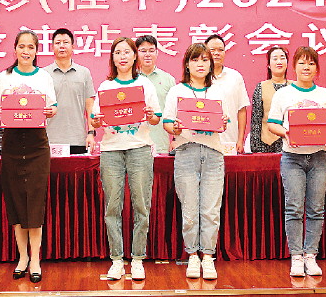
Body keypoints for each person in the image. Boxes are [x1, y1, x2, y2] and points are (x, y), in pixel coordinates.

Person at [90, 37, 161, 281]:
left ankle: (138, 259)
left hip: (139, 148)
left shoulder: (144, 84)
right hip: (111, 150)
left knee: (141, 205)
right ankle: (117, 260)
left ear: (134, 56)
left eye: (127, 52)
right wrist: (96, 121)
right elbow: (95, 120)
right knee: (112, 206)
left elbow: (156, 118)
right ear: (112, 58)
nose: (122, 56)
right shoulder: (106, 86)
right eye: (117, 52)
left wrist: (150, 116)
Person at [267, 46, 326, 277]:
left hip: (320, 157)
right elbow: (272, 124)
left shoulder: (325, 95)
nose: (306, 67)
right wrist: (287, 133)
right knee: (294, 208)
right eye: (301, 63)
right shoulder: (283, 94)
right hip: (292, 158)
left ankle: (311, 255)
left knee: (316, 209)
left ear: (316, 68)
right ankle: (296, 256)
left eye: (311, 63)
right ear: (294, 66)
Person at [0, 30, 57, 283]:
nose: (26, 51)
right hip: (11, 142)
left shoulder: (44, 76)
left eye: (31, 47)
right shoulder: (5, 76)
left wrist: (50, 111)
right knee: (16, 200)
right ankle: (22, 257)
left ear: (36, 50)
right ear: (15, 49)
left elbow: (53, 106)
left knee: (35, 201)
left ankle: (36, 259)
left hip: (36, 144)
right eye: (22, 46)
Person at [162, 43, 228, 280]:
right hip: (186, 152)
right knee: (190, 209)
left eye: (205, 60)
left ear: (210, 65)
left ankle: (208, 257)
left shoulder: (218, 91)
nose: (200, 64)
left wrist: (223, 123)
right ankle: (192, 255)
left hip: (213, 153)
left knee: (210, 209)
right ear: (187, 64)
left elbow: (222, 123)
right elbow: (167, 123)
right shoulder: (177, 91)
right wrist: (175, 128)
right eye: (195, 60)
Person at [44, 28, 96, 154]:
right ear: (52, 47)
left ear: (73, 47)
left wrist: (91, 133)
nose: (62, 46)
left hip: (78, 139)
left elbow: (90, 107)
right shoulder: (43, 74)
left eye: (66, 42)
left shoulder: (84, 73)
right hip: (49, 140)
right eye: (58, 43)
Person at [205, 34, 250, 153]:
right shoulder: (199, 77)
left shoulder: (235, 77)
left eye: (220, 50)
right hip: (204, 141)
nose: (216, 53)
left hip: (230, 140)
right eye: (212, 50)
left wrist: (240, 140)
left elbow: (242, 110)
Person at [135, 35, 176, 154]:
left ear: (157, 53)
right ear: (136, 54)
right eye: (143, 51)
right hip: (134, 143)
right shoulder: (130, 79)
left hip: (161, 143)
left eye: (151, 51)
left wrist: (175, 139)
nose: (147, 54)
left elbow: (175, 111)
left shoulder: (168, 79)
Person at [250, 46, 291, 153]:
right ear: (268, 65)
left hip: (291, 144)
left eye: (282, 58)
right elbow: (256, 120)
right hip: (266, 144)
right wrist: (255, 148)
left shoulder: (294, 87)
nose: (279, 62)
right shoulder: (261, 87)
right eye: (275, 58)